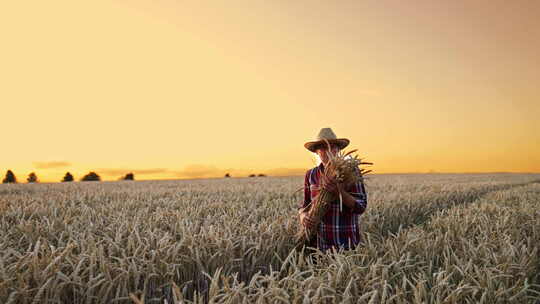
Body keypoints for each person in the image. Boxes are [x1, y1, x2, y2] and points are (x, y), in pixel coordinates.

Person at [298, 128, 368, 253]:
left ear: (338, 150)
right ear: (317, 152)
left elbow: (361, 206)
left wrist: (338, 192)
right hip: (317, 247)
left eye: (332, 146)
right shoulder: (311, 175)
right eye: (323, 147)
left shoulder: (351, 172)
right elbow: (305, 205)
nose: (329, 150)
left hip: (345, 245)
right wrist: (303, 217)